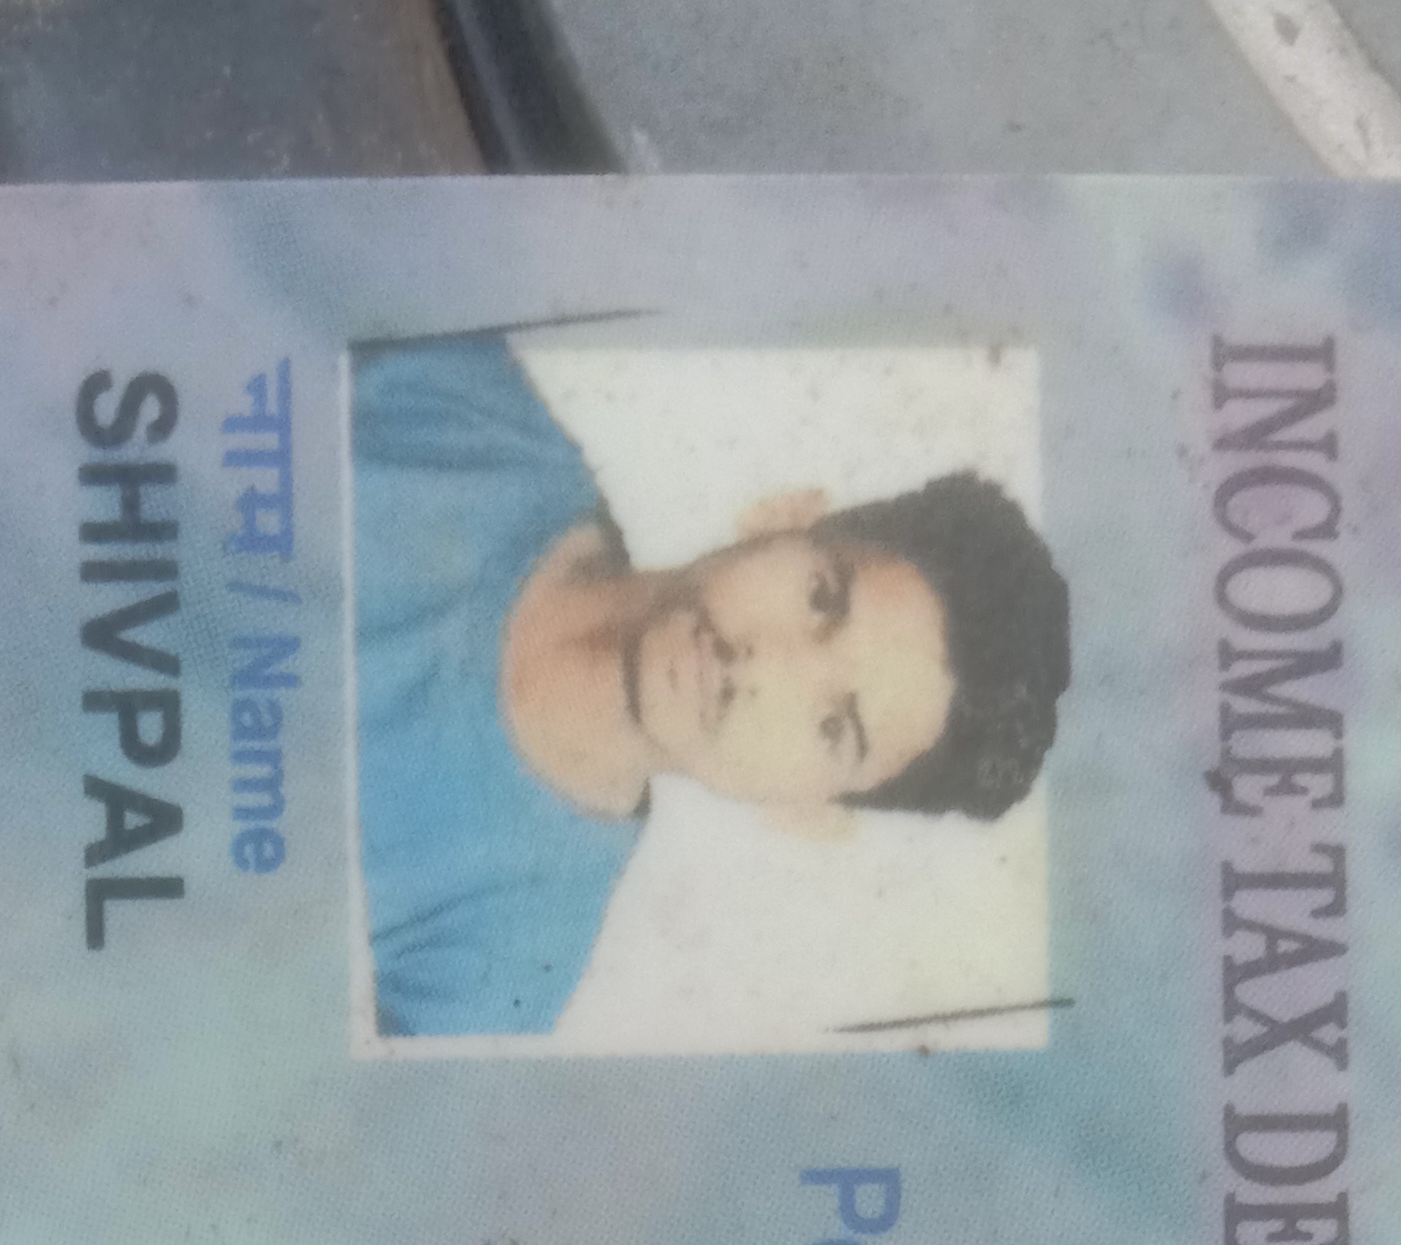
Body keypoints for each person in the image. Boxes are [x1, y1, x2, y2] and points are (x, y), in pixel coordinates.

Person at [350, 331, 1071, 1043]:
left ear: (803, 808)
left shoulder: (487, 984)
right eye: (821, 599)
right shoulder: (442, 387)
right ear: (784, 517)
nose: (764, 668)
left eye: (832, 727)